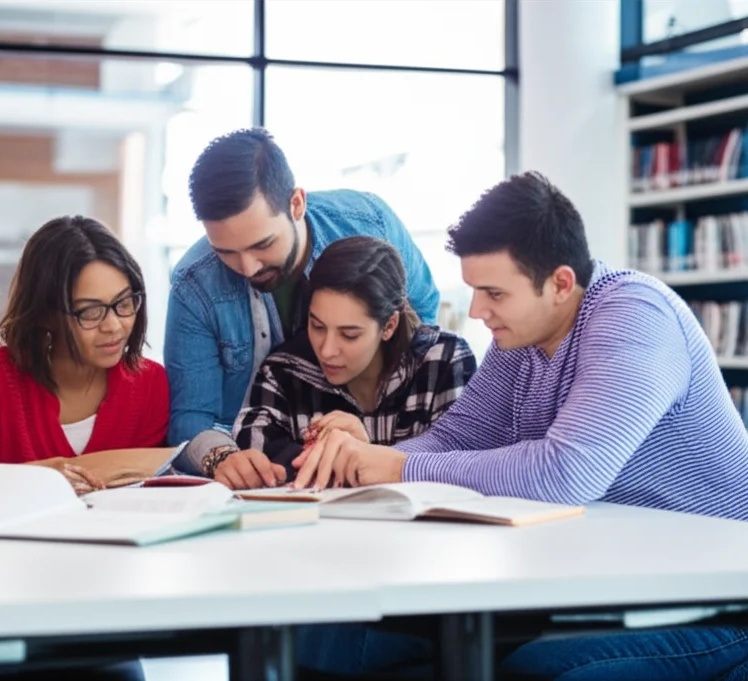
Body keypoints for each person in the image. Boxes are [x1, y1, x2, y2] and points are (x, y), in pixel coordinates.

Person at [291, 171, 748, 680]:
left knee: (536, 672)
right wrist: (366, 460)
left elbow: (565, 473)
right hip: (602, 575)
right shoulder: (525, 335)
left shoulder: (635, 315)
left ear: (560, 284)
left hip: (711, 593)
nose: (478, 310)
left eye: (494, 293)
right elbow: (457, 436)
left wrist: (397, 465)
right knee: (335, 635)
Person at [167, 127, 440, 479]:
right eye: (226, 253)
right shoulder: (194, 284)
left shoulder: (371, 224)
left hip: (376, 460)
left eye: (262, 244)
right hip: (265, 473)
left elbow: (420, 326)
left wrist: (378, 434)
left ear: (296, 203)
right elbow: (190, 416)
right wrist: (220, 457)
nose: (248, 267)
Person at [213, 236, 474, 490]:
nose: (327, 350)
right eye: (317, 326)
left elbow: (466, 464)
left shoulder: (444, 362)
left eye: (349, 335)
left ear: (389, 326)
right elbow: (255, 454)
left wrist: (367, 454)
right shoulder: (282, 373)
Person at [0, 216, 170, 494]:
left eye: (124, 303)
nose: (114, 326)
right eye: (90, 312)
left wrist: (37, 475)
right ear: (44, 314)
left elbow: (165, 472)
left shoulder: (149, 383)